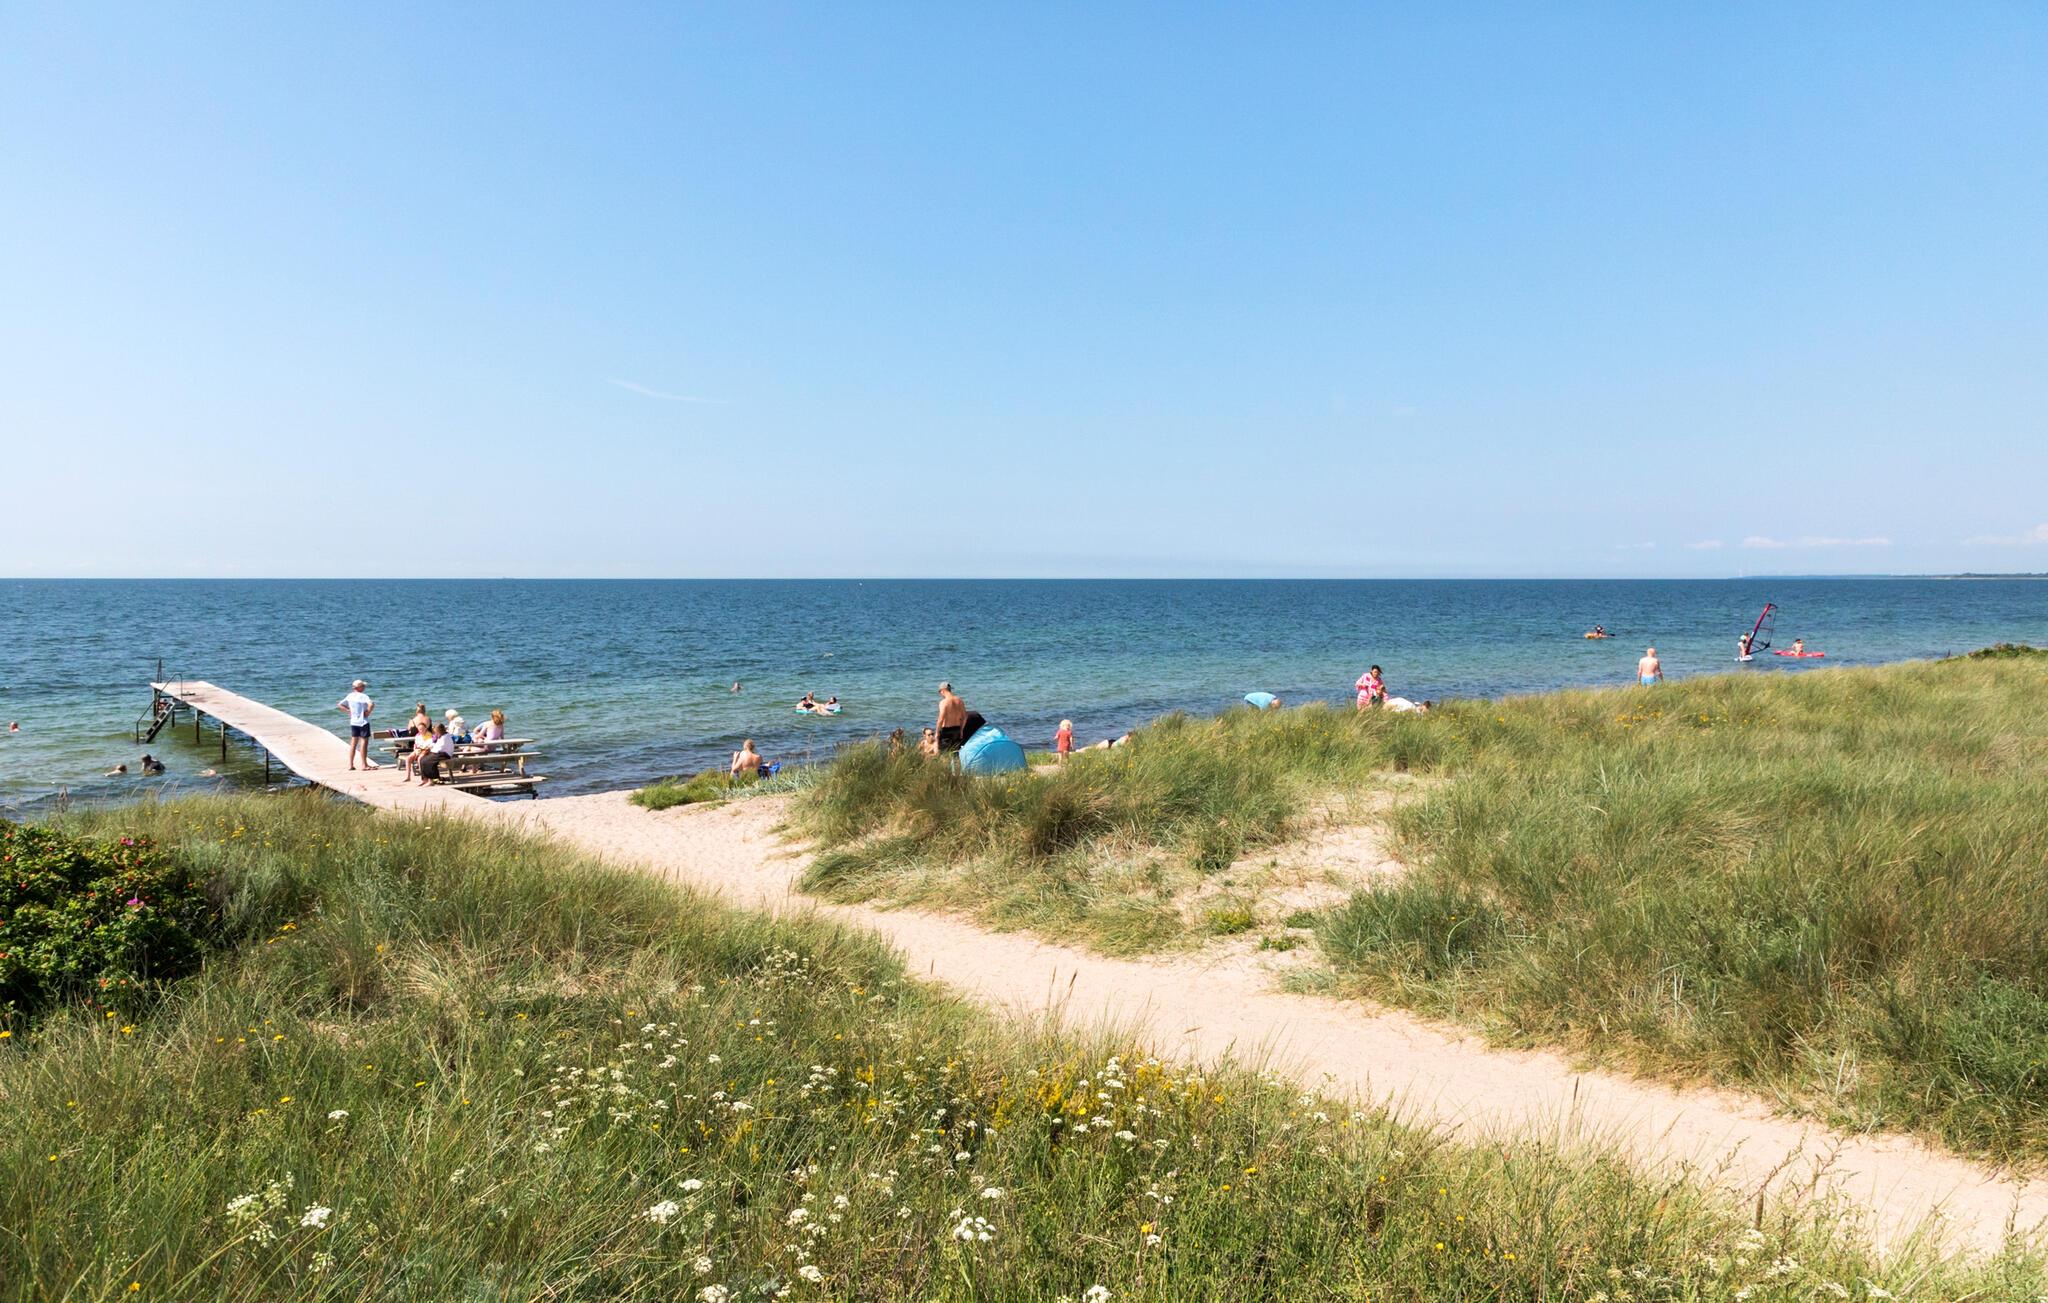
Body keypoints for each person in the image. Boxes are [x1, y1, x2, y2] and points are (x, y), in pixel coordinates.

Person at [337, 679, 375, 770]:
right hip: (363, 722)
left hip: (353, 722)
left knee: (353, 743)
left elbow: (339, 704)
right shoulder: (364, 696)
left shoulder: (350, 696)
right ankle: (364, 765)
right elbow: (371, 704)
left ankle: (350, 764)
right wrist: (368, 712)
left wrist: (348, 711)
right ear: (360, 687)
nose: (364, 687)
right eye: (363, 686)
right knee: (363, 743)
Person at [936, 682, 968, 752]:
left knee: (945, 753)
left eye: (940, 692)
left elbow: (941, 719)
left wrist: (937, 733)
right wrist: (961, 730)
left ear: (943, 690)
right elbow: (965, 717)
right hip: (957, 729)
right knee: (956, 752)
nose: (940, 694)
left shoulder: (943, 702)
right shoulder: (960, 700)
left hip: (946, 731)